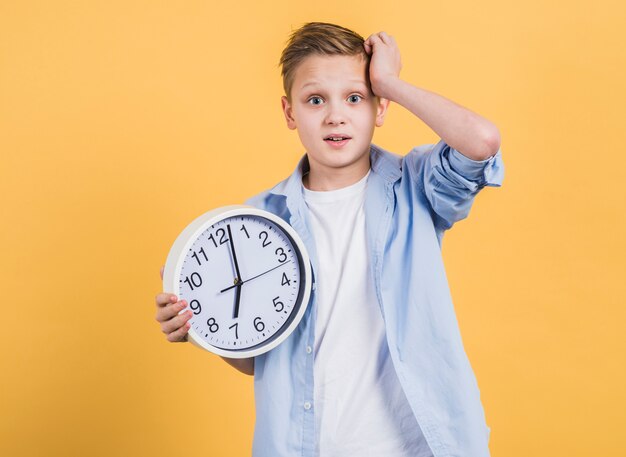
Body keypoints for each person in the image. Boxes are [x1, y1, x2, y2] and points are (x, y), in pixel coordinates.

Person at [155, 22, 504, 457]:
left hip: (415, 445)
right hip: (307, 445)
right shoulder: (258, 220)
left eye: (355, 97)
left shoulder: (415, 187)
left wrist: (390, 82)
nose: (335, 115)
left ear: (381, 108)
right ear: (289, 112)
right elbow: (257, 358)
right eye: (315, 100)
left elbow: (482, 141)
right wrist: (204, 327)